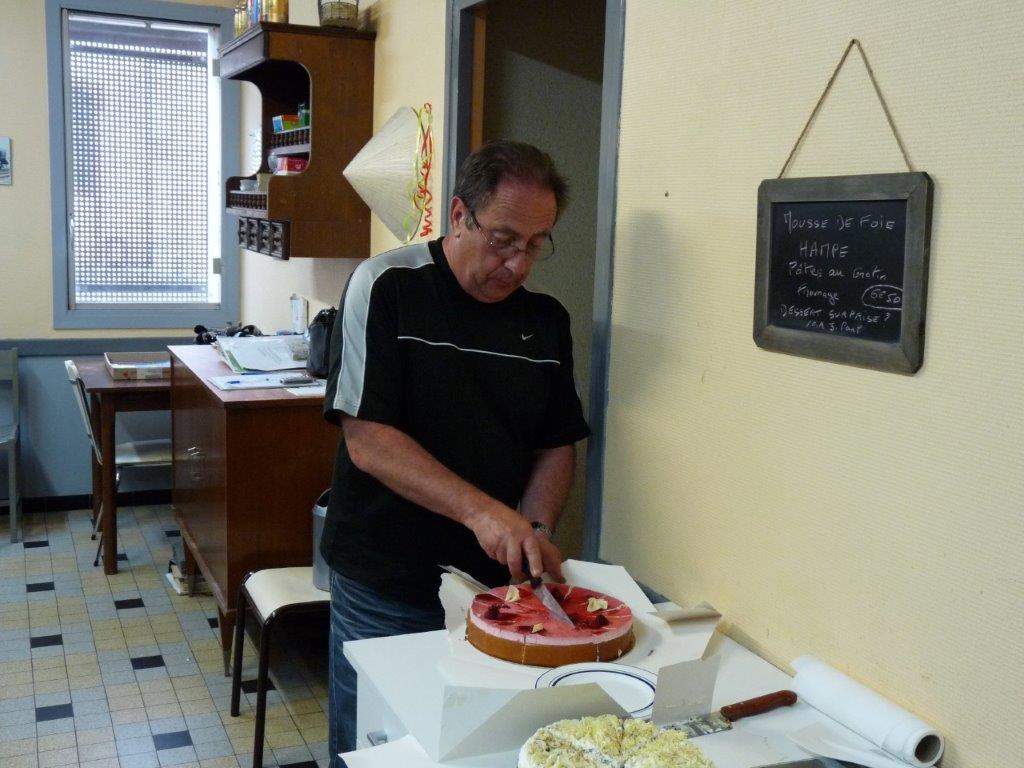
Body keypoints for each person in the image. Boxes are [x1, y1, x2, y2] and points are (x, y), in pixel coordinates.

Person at [320, 140, 591, 760]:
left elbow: (556, 444)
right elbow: (369, 440)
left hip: (498, 593)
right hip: (388, 578)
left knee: (473, 744)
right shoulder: (387, 286)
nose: (519, 264)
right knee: (377, 742)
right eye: (503, 239)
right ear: (459, 214)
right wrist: (483, 512)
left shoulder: (547, 321)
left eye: (537, 244)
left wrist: (536, 527)